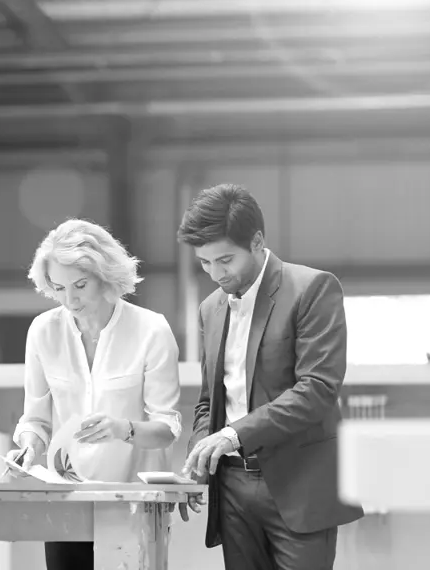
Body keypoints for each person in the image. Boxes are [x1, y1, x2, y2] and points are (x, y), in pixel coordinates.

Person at [175, 184, 363, 570]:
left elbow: (317, 389)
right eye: (205, 263)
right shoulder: (211, 308)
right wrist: (200, 453)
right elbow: (209, 402)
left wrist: (234, 434)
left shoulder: (312, 289)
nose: (215, 274)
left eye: (225, 260)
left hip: (301, 484)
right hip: (231, 488)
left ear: (258, 241)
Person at [5, 218, 183, 570]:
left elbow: (167, 428)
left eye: (80, 285)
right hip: (65, 500)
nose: (69, 300)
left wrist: (122, 429)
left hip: (135, 503)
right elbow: (36, 420)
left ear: (105, 276)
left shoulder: (151, 330)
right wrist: (28, 447)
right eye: (58, 287)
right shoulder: (43, 332)